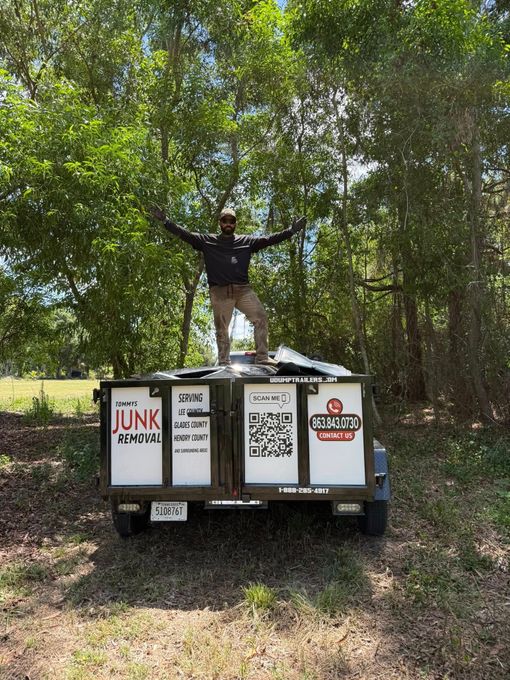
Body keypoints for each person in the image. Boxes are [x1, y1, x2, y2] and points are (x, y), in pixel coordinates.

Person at [151, 206, 306, 365]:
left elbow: (268, 240)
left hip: (243, 290)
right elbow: (186, 235)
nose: (228, 224)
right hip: (220, 292)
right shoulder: (207, 241)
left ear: (235, 224)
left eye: (231, 221)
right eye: (225, 221)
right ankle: (224, 361)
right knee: (222, 328)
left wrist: (291, 231)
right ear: (220, 223)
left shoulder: (246, 241)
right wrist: (165, 221)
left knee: (261, 318)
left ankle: (262, 357)